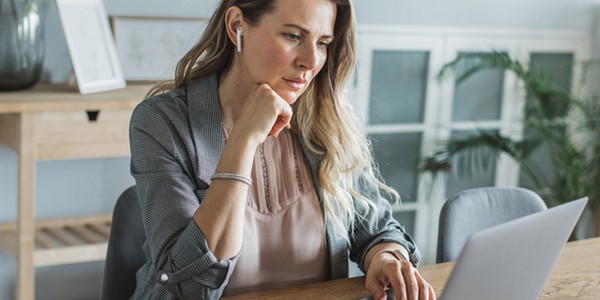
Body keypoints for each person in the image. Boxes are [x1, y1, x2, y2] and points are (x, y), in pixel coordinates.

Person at [128, 0, 436, 299]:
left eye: (323, 43)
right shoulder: (162, 122)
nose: (311, 62)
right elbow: (188, 287)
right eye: (293, 36)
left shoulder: (326, 122)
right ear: (237, 26)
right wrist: (244, 139)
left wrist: (385, 257)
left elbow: (377, 230)